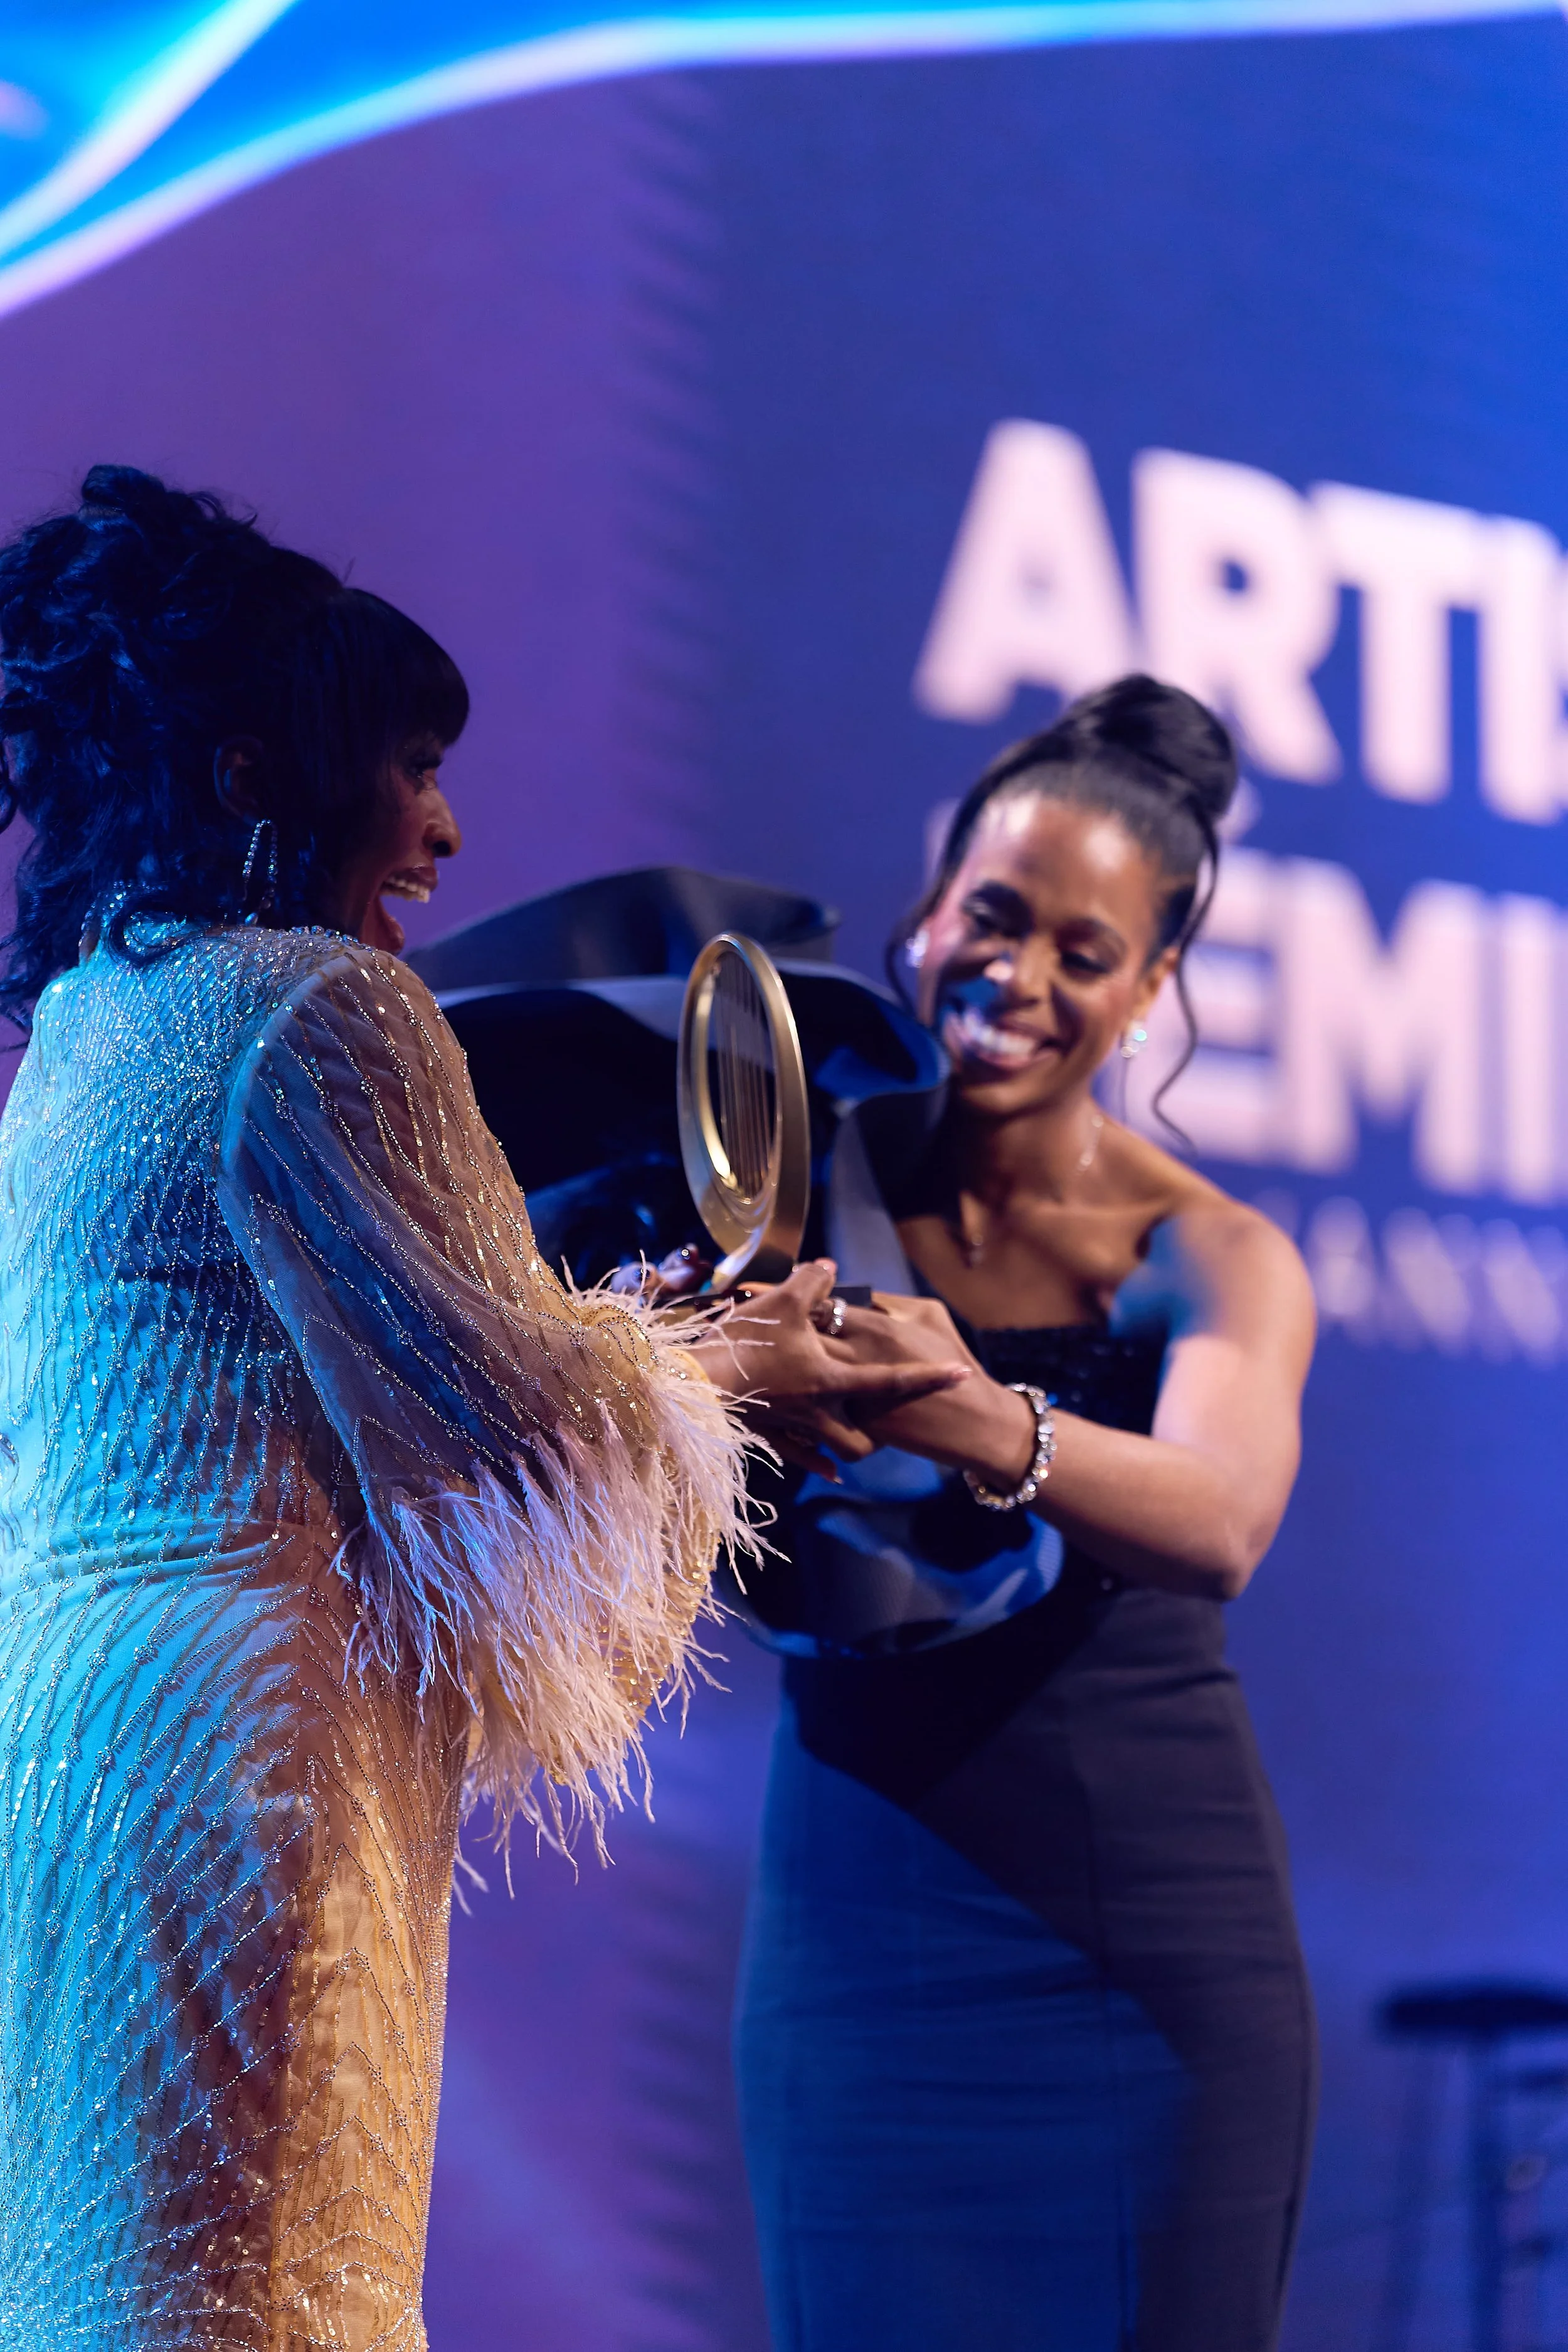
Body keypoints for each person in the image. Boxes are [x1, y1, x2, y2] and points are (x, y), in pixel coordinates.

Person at [0, 465, 958, 2347]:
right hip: (237, 1746)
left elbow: (399, 1366)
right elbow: (521, 1433)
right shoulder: (319, 1008)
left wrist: (632, 1342)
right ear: (257, 776)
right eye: (413, 769)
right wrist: (741, 1365)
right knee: (268, 2283)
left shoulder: (92, 1024)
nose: (445, 830)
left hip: (61, 1743)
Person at [733, 676, 1319, 2352]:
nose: (1019, 977)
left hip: (1140, 1944)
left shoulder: (1205, 1252)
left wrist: (975, 1411)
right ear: (928, 916)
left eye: (1085, 951)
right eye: (991, 917)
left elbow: (1219, 1520)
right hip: (855, 1934)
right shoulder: (781, 1184)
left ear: (1149, 990)